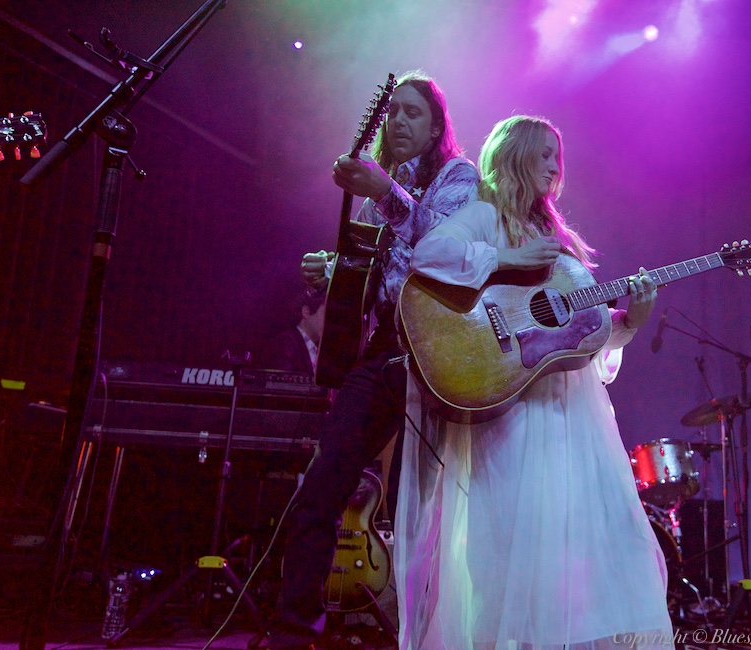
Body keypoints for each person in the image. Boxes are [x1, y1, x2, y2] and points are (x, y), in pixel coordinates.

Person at [396, 115, 674, 649]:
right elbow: (428, 254)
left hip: (570, 413)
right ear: (516, 154)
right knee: (507, 548)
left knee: (580, 552)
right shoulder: (482, 216)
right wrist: (507, 258)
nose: (555, 165)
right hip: (509, 407)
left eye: (558, 156)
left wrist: (631, 322)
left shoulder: (558, 237)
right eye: (544, 153)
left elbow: (579, 338)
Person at [270, 71, 479, 649]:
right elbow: (375, 281)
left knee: (426, 502)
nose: (398, 121)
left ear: (437, 126)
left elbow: (447, 250)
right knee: (323, 481)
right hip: (384, 348)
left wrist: (387, 192)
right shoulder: (378, 190)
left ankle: (425, 631)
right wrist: (336, 271)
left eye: (413, 113)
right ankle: (294, 630)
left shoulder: (457, 176)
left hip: (437, 351)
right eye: (392, 113)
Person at [257, 285, 327, 374]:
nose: (330, 321)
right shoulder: (283, 345)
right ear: (306, 312)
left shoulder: (320, 350)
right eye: (326, 314)